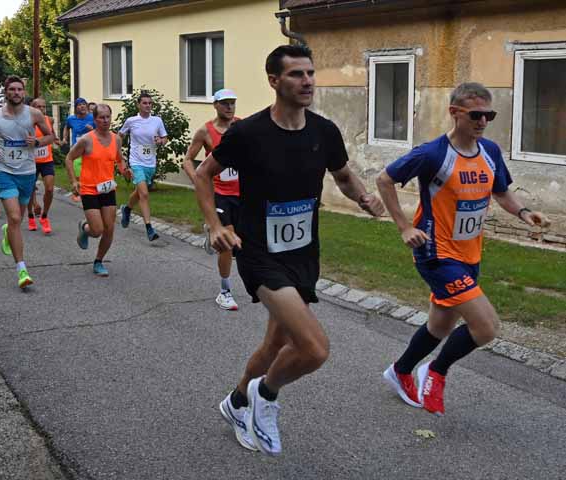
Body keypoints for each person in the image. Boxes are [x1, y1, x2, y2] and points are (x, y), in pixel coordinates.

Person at [193, 45, 384, 456]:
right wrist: (215, 226)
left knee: (276, 345)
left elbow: (344, 175)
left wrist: (364, 198)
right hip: (259, 252)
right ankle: (267, 394)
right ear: (274, 81)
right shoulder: (248, 133)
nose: (308, 81)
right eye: (297, 74)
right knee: (314, 349)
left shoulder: (324, 131)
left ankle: (237, 401)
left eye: (311, 73)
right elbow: (203, 175)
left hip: (303, 253)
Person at [376, 82, 551, 416]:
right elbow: (385, 180)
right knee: (486, 327)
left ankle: (400, 371)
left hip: (470, 253)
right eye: (475, 114)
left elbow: (501, 192)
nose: (483, 121)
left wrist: (525, 213)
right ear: (455, 113)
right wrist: (404, 226)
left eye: (489, 115)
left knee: (439, 326)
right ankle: (436, 371)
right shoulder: (433, 154)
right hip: (436, 253)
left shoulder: (490, 152)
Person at [0, 76, 54, 289]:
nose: (16, 93)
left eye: (19, 89)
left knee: (16, 221)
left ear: (24, 92)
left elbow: (51, 137)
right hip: (4, 171)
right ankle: (22, 269)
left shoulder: (34, 114)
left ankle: (7, 231)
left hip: (28, 172)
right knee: (13, 217)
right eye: (11, 89)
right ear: (6, 92)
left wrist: (38, 141)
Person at [184, 88, 241, 311]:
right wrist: (198, 181)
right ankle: (225, 291)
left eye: (232, 103)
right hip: (219, 193)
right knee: (227, 243)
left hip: (242, 193)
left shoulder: (241, 127)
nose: (229, 107)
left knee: (242, 242)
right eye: (225, 103)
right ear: (215, 105)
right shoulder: (205, 132)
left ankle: (212, 230)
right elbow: (188, 160)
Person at [66, 104, 125, 276]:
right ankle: (85, 228)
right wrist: (73, 181)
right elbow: (69, 158)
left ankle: (98, 261)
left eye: (108, 117)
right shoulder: (86, 140)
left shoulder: (116, 139)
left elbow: (119, 159)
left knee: (109, 228)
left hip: (107, 188)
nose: (105, 121)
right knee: (97, 230)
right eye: (101, 117)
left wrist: (124, 169)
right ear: (95, 119)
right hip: (89, 189)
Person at [118, 92, 168, 241]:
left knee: (139, 192)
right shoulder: (132, 121)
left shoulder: (157, 121)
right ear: (138, 105)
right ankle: (149, 228)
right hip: (136, 162)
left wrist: (160, 140)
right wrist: (120, 156)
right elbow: (119, 136)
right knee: (144, 194)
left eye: (150, 103)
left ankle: (127, 209)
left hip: (150, 163)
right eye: (145, 103)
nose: (148, 106)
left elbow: (165, 138)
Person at [27, 97, 58, 234]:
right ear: (32, 108)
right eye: (38, 107)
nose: (41, 109)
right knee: (29, 189)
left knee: (50, 189)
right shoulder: (26, 122)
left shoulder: (49, 120)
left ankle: (44, 216)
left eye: (43, 107)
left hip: (46, 160)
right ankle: (30, 215)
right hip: (30, 161)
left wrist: (56, 140)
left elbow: (52, 135)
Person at [62, 97, 95, 201]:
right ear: (76, 108)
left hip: (90, 149)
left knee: (89, 172)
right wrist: (64, 138)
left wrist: (92, 129)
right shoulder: (71, 119)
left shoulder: (92, 117)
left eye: (84, 104)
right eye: (79, 105)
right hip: (76, 149)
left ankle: (87, 191)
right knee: (76, 172)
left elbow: (100, 131)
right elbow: (66, 127)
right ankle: (77, 191)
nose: (82, 106)